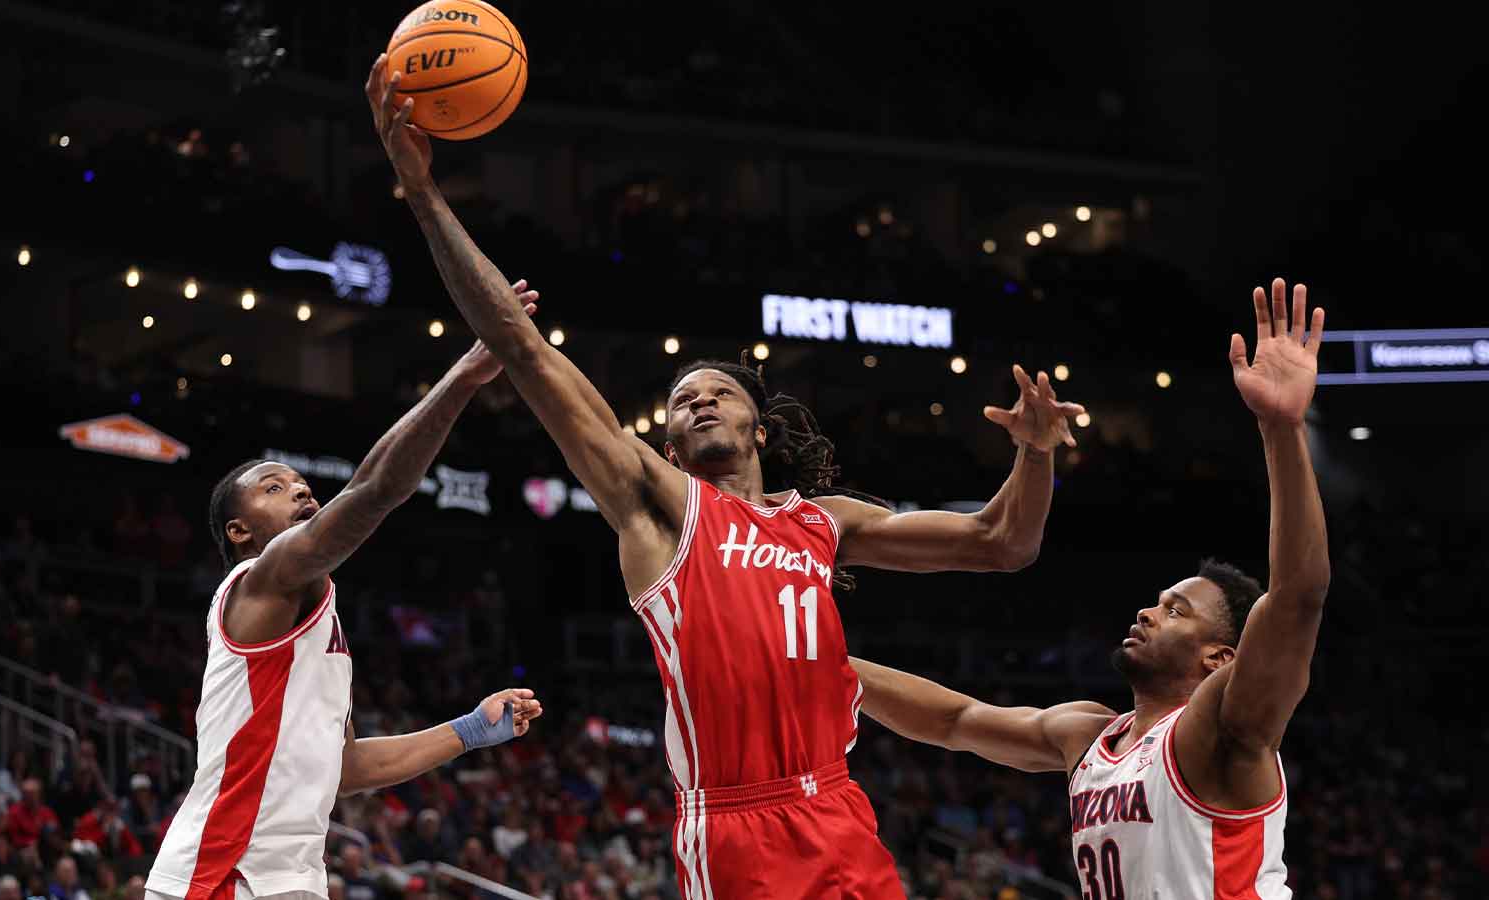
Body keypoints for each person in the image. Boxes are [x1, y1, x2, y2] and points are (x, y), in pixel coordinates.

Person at [367, 57, 1081, 899]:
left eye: (720, 393)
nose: (700, 402)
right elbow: (524, 350)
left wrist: (1036, 454)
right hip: (739, 826)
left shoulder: (825, 521)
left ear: (759, 428)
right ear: (668, 446)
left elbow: (1003, 544)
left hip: (840, 813)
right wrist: (424, 193)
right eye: (682, 401)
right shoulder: (662, 510)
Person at [852, 280, 1329, 899]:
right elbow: (955, 720)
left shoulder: (1221, 729)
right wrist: (825, 662)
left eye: (1176, 611)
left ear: (1220, 658)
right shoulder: (1088, 734)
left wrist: (1281, 428)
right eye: (1158, 602)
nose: (1148, 612)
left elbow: (1297, 596)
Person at [145, 334, 543, 900]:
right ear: (239, 531)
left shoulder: (316, 623)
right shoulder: (261, 579)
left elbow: (347, 768)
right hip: (222, 873)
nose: (299, 491)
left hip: (290, 877)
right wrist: (462, 380)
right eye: (274, 487)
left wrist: (470, 729)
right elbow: (377, 488)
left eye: (302, 485)